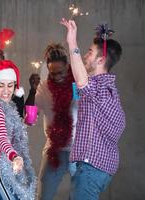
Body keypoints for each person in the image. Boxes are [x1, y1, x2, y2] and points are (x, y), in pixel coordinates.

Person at [60, 19, 126, 200]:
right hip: (90, 168)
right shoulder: (104, 89)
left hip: (91, 169)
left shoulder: (101, 89)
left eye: (89, 52)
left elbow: (82, 82)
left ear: (101, 59)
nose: (85, 56)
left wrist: (72, 42)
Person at [25, 43, 78, 200]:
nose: (56, 77)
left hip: (80, 149)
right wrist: (33, 91)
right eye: (52, 73)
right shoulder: (44, 87)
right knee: (43, 195)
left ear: (68, 67)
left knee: (80, 195)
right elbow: (30, 120)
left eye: (60, 72)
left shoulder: (77, 83)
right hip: (54, 149)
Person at [0, 60, 37, 200]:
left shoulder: (11, 107)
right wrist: (14, 156)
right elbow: (2, 138)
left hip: (8, 167)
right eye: (1, 86)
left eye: (10, 85)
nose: (6, 91)